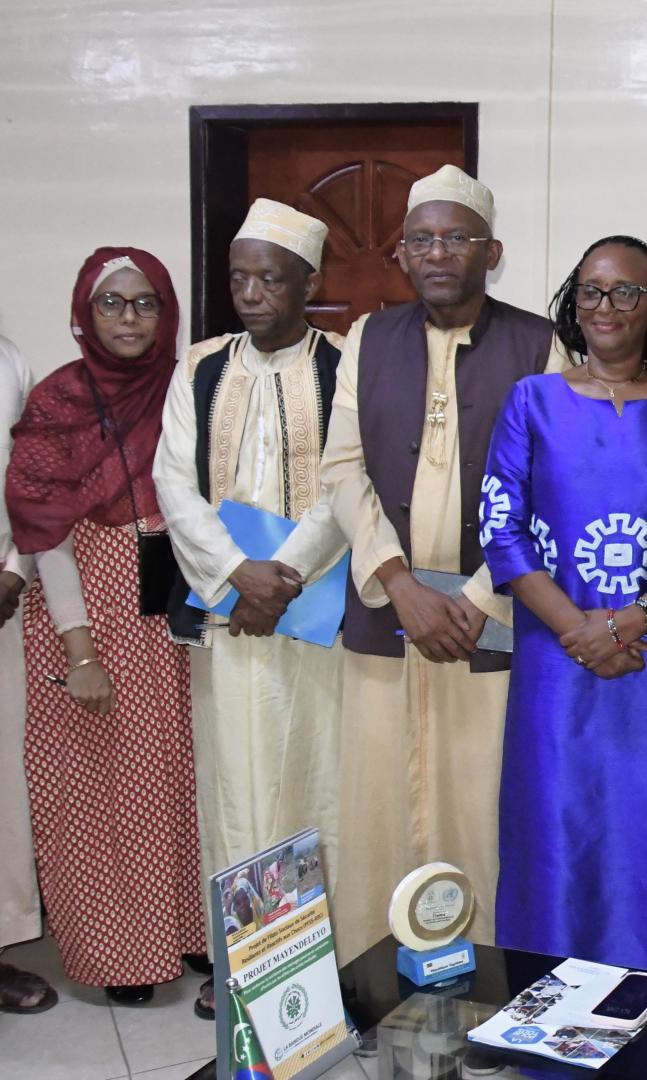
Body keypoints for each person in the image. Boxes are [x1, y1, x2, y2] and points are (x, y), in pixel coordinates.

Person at [288, 165, 560, 957]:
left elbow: (550, 486)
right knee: (378, 803)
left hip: (492, 620)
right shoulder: (371, 337)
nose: (437, 253)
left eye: (456, 238)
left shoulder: (539, 343)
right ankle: (378, 976)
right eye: (421, 240)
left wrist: (477, 598)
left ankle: (482, 983)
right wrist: (396, 582)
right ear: (402, 254)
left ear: (492, 251)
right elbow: (341, 468)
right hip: (386, 614)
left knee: (479, 807)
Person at [483, 235, 647, 981]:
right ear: (574, 302)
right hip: (557, 672)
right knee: (561, 837)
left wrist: (634, 620)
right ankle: (551, 1030)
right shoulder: (530, 403)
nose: (607, 306)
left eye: (626, 291)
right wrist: (578, 630)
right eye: (592, 291)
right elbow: (500, 530)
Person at [153, 199, 350, 1019]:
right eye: (239, 277)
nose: (252, 292)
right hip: (229, 612)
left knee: (320, 781)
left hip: (318, 616)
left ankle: (319, 964)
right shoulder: (202, 365)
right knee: (234, 785)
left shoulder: (344, 362)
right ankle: (246, 964)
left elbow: (350, 478)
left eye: (270, 277)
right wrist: (238, 573)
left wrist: (288, 574)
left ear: (309, 282)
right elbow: (173, 479)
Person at [4, 248, 206, 1004]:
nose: (129, 318)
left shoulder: (185, 389)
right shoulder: (59, 399)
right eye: (111, 304)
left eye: (145, 302)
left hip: (172, 611)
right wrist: (79, 648)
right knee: (102, 788)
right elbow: (42, 527)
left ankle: (186, 932)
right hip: (87, 616)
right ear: (84, 313)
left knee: (178, 779)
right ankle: (121, 954)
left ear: (166, 311)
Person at [0, 332, 55, 1015]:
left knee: (1, 788)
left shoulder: (10, 362)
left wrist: (15, 571)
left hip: (1, 599)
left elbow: (30, 483)